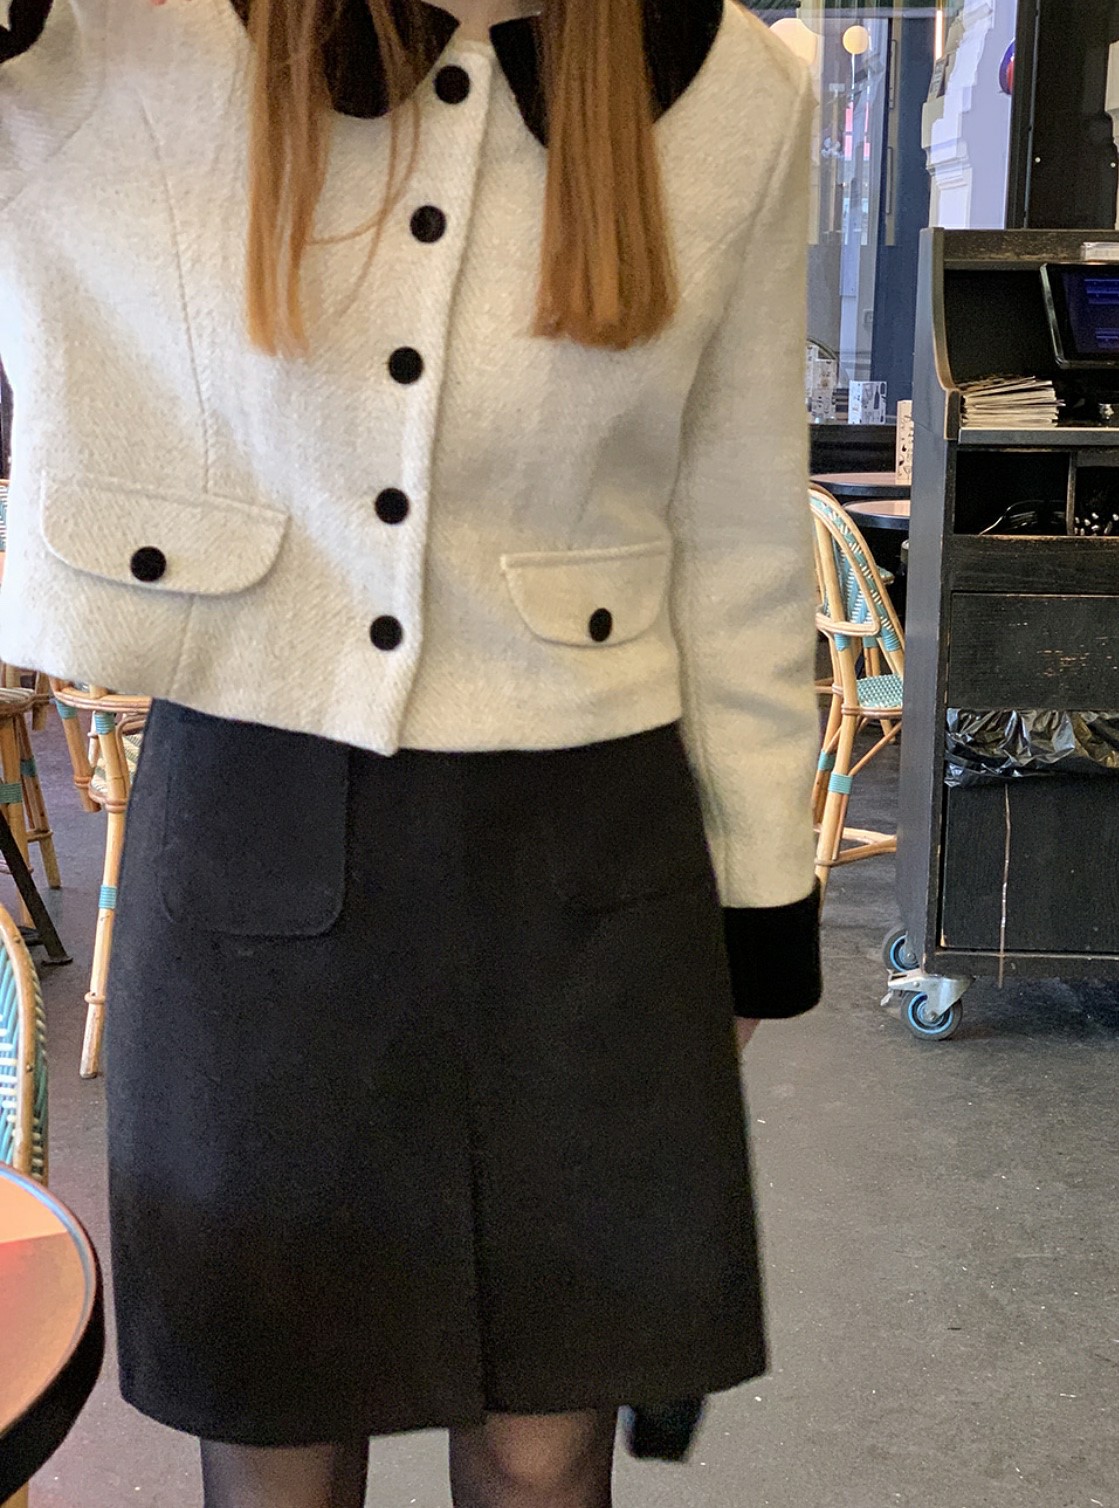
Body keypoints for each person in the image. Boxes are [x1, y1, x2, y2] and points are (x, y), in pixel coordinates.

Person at [0, 0, 823, 1501]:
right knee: (277, 1440)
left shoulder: (741, 94)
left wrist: (760, 908)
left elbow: (739, 528)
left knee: (545, 1455)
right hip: (253, 829)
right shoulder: (135, 34)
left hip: (594, 869)